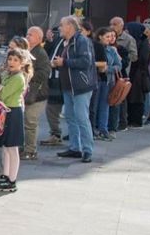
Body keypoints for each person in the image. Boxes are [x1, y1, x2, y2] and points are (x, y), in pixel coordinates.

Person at [53, 16, 96, 163]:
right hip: (68, 86)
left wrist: (64, 62)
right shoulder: (65, 41)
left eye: (61, 25)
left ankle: (87, 150)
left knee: (82, 118)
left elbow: (86, 62)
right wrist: (58, 63)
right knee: (70, 117)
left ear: (70, 26)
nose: (59, 28)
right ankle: (75, 147)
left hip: (80, 87)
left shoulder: (82, 40)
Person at [0, 49, 31, 192]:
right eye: (10, 59)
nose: (11, 62)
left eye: (15, 60)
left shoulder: (19, 78)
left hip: (13, 113)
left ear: (22, 63)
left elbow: (2, 94)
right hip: (4, 112)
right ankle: (5, 175)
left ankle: (12, 180)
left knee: (12, 148)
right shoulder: (6, 74)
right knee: (5, 147)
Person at [23, 26, 50, 160]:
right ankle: (25, 147)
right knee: (26, 121)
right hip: (27, 92)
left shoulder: (40, 53)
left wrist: (27, 72)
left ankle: (31, 150)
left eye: (31, 35)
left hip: (37, 94)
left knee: (30, 121)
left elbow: (44, 73)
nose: (27, 37)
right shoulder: (26, 51)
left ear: (39, 38)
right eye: (27, 34)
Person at [80, 20, 106, 137]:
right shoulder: (73, 44)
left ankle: (90, 131)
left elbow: (103, 64)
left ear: (88, 31)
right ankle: (76, 132)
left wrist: (88, 63)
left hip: (92, 78)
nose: (78, 33)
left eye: (81, 30)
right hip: (77, 79)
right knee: (77, 109)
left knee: (91, 107)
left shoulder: (96, 45)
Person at [40, 28, 66, 146]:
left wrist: (60, 63)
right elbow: (47, 52)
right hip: (53, 77)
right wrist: (49, 41)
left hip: (62, 78)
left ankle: (57, 134)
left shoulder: (75, 42)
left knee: (56, 108)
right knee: (51, 108)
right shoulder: (58, 39)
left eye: (62, 26)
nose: (59, 29)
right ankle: (55, 133)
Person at [111, 17, 137, 127]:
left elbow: (134, 56)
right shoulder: (108, 36)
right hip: (111, 72)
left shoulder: (129, 39)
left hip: (123, 71)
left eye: (115, 24)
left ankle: (122, 122)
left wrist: (122, 58)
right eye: (111, 24)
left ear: (121, 26)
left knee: (121, 96)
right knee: (111, 96)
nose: (112, 26)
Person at [96, 27, 121, 141]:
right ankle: (94, 129)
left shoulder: (112, 50)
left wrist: (108, 69)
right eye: (107, 36)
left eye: (111, 36)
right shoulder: (94, 47)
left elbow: (119, 65)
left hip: (107, 81)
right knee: (94, 106)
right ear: (100, 37)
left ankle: (103, 129)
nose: (110, 39)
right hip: (95, 79)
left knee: (104, 105)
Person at [125, 22, 150, 128]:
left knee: (137, 98)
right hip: (134, 73)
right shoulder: (136, 41)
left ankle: (136, 120)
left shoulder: (143, 42)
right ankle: (131, 119)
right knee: (132, 97)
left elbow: (143, 59)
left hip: (139, 74)